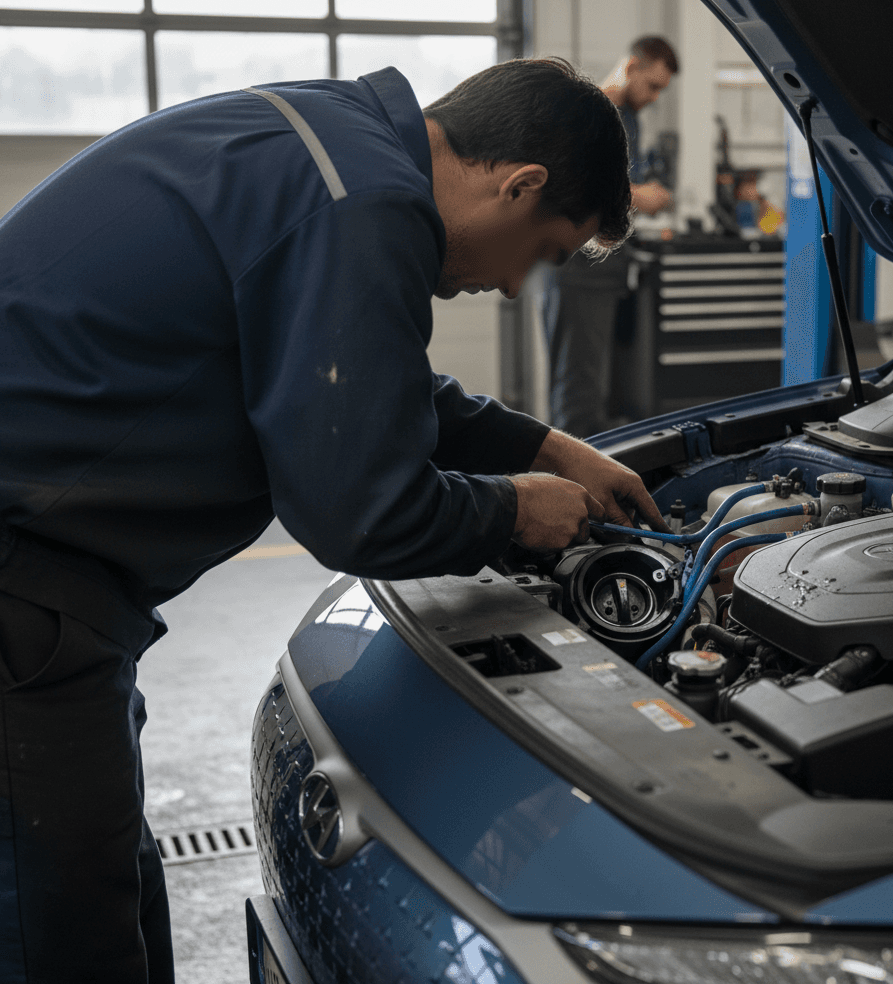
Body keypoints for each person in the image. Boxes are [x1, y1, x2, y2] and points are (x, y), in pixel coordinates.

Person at [0, 59, 671, 983]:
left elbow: (357, 376)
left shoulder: (332, 143)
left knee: (103, 882)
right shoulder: (367, 207)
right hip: (19, 581)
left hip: (51, 574)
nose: (519, 288)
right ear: (520, 186)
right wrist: (517, 509)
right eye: (544, 252)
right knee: (60, 935)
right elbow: (362, 510)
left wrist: (547, 446)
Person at [544, 35, 678, 438]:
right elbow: (574, 183)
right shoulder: (592, 111)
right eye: (652, 85)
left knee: (593, 381)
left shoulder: (627, 116)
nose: (655, 97)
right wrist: (643, 196)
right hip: (578, 266)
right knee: (578, 383)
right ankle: (574, 487)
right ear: (632, 66)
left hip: (602, 267)